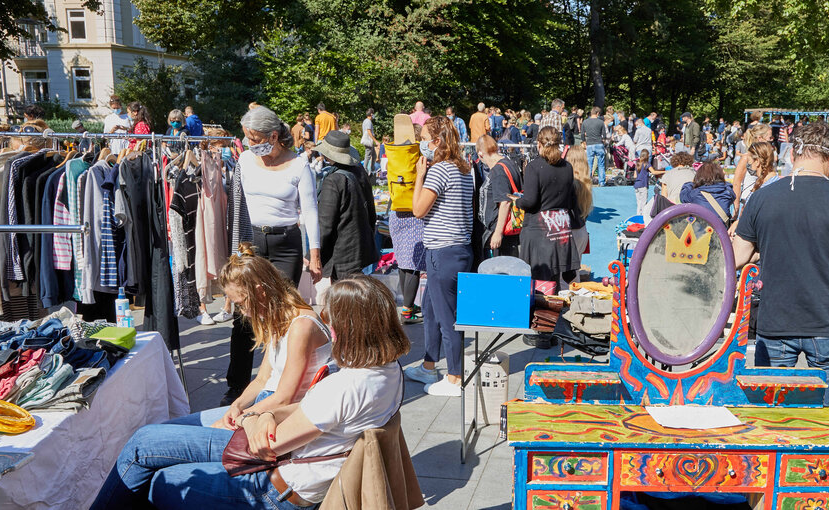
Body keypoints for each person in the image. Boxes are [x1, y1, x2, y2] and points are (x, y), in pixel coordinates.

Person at [91, 275, 408, 510]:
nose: (326, 325)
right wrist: (263, 413)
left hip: (277, 488)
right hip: (290, 467)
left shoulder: (346, 385)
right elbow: (298, 408)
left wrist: (253, 419)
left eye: (331, 319)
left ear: (350, 328)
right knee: (148, 443)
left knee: (156, 471)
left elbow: (268, 445)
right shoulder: (388, 371)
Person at [732, 122, 829, 411]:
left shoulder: (762, 197)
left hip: (775, 321)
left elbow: (737, 257)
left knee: (772, 416)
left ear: (793, 155)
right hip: (826, 322)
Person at [166, 245, 332, 427]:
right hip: (263, 406)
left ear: (260, 291)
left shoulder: (301, 326)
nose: (243, 312)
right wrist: (236, 405)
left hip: (274, 417)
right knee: (163, 430)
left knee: (151, 442)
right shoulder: (281, 319)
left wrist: (240, 417)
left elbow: (284, 398)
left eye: (242, 304)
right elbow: (261, 380)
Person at [225, 106, 322, 405]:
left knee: (282, 314)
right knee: (244, 314)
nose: (251, 144)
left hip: (285, 244)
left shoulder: (299, 165)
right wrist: (234, 254)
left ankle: (282, 382)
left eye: (255, 139)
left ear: (274, 136)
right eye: (248, 139)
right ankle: (237, 386)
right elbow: (237, 208)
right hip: (252, 242)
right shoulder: (244, 160)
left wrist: (314, 254)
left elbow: (311, 212)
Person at [404, 116, 475, 397]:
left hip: (443, 251)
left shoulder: (439, 171)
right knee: (432, 309)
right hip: (456, 249)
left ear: (437, 141)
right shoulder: (464, 167)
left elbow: (419, 210)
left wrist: (419, 176)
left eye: (424, 138)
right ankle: (429, 364)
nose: (421, 144)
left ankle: (455, 377)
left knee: (447, 317)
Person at [515, 126, 580, 291]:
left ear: (539, 144)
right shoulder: (567, 167)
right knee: (554, 282)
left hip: (539, 232)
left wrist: (517, 201)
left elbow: (530, 201)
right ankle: (553, 314)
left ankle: (540, 316)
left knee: (538, 286)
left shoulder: (533, 167)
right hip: (560, 230)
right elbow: (571, 200)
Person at [313, 131, 378, 279]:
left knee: (344, 296)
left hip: (341, 251)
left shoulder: (333, 179)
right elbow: (371, 212)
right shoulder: (359, 171)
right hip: (360, 246)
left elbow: (325, 223)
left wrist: (314, 253)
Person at [477, 135, 522, 257]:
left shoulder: (498, 171)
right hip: (512, 230)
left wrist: (498, 233)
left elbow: (505, 202)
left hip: (503, 233)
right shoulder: (510, 163)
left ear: (480, 153)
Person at [731, 124, 773, 214]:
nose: (772, 140)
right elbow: (737, 183)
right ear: (760, 138)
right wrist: (736, 205)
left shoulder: (768, 157)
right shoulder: (747, 158)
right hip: (747, 202)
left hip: (763, 202)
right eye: (770, 137)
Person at [565, 145, 593, 265]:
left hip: (570, 232)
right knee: (574, 273)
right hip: (581, 230)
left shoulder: (570, 183)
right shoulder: (586, 183)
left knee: (564, 277)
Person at [735, 141, 780, 216]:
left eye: (749, 161)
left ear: (757, 162)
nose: (748, 165)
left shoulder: (763, 190)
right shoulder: (776, 183)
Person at [581, 107, 607, 185]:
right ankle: (601, 182)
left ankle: (588, 181)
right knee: (601, 164)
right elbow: (604, 135)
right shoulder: (601, 122)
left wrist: (584, 142)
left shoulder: (585, 122)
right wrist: (604, 141)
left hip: (589, 144)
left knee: (589, 163)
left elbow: (582, 134)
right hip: (599, 143)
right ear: (597, 113)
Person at [634, 150, 652, 215]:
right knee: (644, 203)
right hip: (643, 184)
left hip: (637, 185)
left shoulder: (638, 164)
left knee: (639, 203)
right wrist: (664, 172)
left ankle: (638, 215)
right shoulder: (647, 164)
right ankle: (643, 216)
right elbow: (654, 172)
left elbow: (635, 176)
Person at [360, 108, 378, 173]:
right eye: (373, 114)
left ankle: (372, 169)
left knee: (374, 155)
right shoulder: (368, 121)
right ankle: (365, 169)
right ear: (371, 114)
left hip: (369, 141)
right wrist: (375, 140)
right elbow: (369, 131)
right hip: (368, 141)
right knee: (368, 155)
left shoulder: (365, 121)